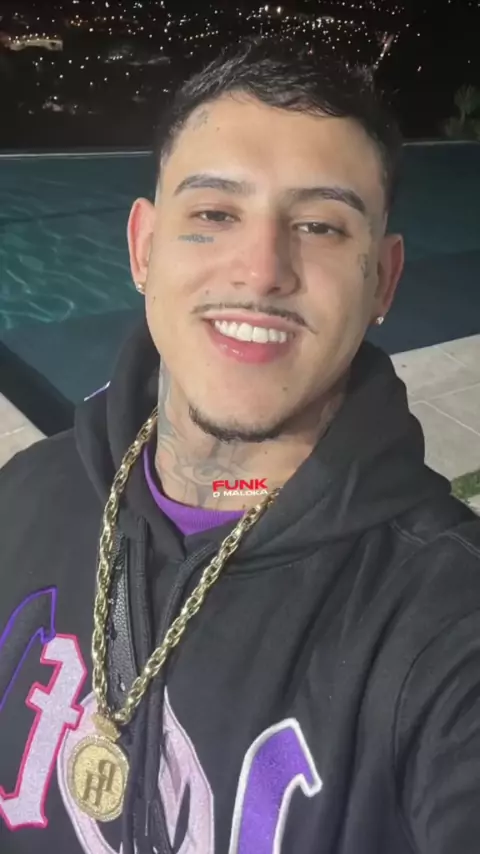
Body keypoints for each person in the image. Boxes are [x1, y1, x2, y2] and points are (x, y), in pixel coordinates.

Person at [1, 36, 479, 854]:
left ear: (384, 280)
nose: (261, 271)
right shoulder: (22, 499)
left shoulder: (441, 618)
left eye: (320, 226)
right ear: (143, 248)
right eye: (215, 214)